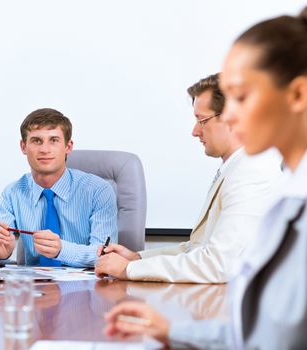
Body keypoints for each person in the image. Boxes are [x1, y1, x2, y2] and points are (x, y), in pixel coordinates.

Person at [104, 4, 307, 348]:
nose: (229, 115)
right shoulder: (295, 190)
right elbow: (267, 337)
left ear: (298, 95)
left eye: (241, 97)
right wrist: (172, 332)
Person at [95, 74, 281, 283]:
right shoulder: (236, 167)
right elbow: (196, 248)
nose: (195, 131)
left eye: (202, 120)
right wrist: (137, 258)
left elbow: (218, 264)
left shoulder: (252, 173)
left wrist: (129, 269)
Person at [0, 108, 118, 267]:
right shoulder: (13, 192)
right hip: (33, 288)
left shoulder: (99, 191)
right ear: (23, 146)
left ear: (68, 146)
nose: (45, 150)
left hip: (87, 287)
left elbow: (105, 255)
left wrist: (61, 250)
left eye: (54, 140)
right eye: (36, 141)